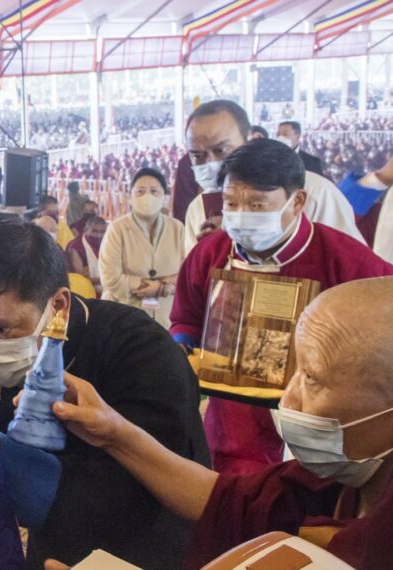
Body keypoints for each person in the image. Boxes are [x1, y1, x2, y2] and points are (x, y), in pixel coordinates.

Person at [0, 222, 209, 569]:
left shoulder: (140, 350)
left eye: (1, 329)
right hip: (48, 546)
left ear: (58, 306)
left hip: (144, 549)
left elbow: (132, 492)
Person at [44, 277, 393, 570]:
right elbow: (229, 502)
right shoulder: (346, 475)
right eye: (295, 372)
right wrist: (113, 434)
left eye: (312, 379)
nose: (289, 398)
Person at [172, 139, 393, 477]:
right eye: (232, 203)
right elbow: (185, 319)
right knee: (237, 503)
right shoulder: (209, 254)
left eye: (258, 206)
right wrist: (183, 357)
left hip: (320, 422)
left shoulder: (345, 260)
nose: (242, 216)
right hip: (233, 422)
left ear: (298, 201)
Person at [182, 100, 361, 252]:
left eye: (220, 150)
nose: (211, 163)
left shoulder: (316, 192)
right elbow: (193, 278)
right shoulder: (198, 208)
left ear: (250, 139)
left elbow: (353, 270)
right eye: (197, 155)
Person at [99, 168, 185, 328]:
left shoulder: (177, 228)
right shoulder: (117, 229)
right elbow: (110, 277)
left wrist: (161, 288)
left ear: (164, 197)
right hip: (123, 317)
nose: (147, 196)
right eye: (140, 191)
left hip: (165, 318)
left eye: (154, 191)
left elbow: (187, 273)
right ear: (130, 196)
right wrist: (145, 286)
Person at [66, 216, 106, 293]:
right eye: (94, 231)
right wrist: (109, 279)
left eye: (102, 232)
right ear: (86, 229)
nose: (99, 235)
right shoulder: (76, 246)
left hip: (106, 289)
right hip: (85, 291)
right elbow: (80, 278)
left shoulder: (107, 242)